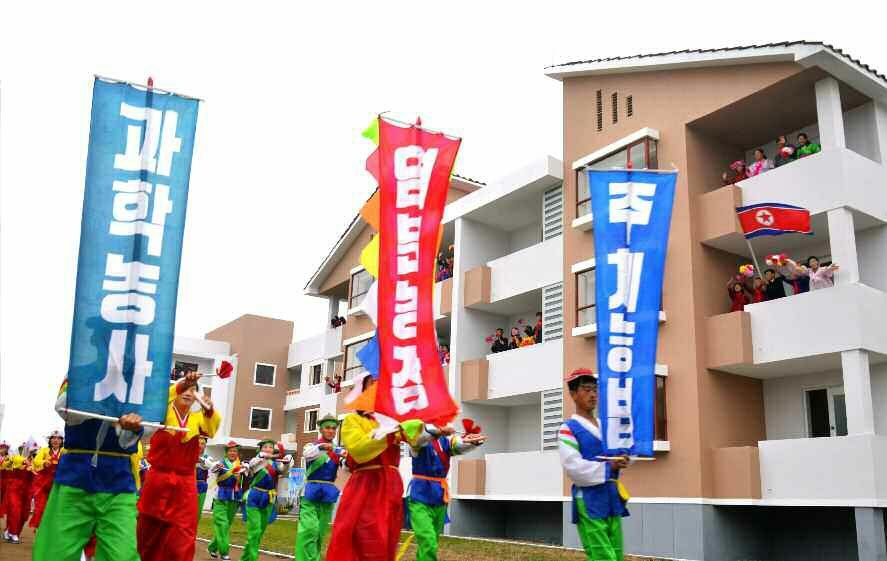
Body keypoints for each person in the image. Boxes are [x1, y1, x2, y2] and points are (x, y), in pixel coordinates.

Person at [32, 377, 146, 560]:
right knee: (57, 552)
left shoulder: (138, 379)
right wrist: (103, 396)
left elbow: (148, 428)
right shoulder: (80, 370)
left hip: (119, 481)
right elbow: (64, 409)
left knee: (122, 555)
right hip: (75, 477)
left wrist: (130, 428)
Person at [325, 375, 425, 561]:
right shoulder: (352, 420)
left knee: (388, 539)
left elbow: (417, 441)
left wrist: (436, 430)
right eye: (372, 385)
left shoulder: (390, 421)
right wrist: (390, 432)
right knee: (367, 538)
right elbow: (359, 450)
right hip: (367, 486)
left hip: (392, 486)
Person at [137, 371, 221, 561]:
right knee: (148, 532)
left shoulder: (198, 418)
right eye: (185, 389)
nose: (189, 393)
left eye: (194, 390)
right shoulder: (162, 412)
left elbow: (212, 429)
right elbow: (161, 399)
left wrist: (209, 409)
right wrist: (183, 383)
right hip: (157, 479)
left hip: (185, 484)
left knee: (183, 535)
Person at [560, 368, 630, 561]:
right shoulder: (568, 429)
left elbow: (615, 455)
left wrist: (622, 458)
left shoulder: (606, 426)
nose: (592, 394)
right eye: (586, 389)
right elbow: (573, 468)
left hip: (611, 496)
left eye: (594, 389)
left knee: (616, 553)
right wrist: (610, 467)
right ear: (573, 394)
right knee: (601, 555)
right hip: (589, 499)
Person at [406, 424, 486, 561]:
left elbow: (459, 445)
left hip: (439, 496)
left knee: (432, 542)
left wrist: (474, 442)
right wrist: (439, 431)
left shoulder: (446, 441)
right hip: (419, 496)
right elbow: (418, 441)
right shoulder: (418, 437)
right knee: (428, 540)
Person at [295, 414, 346, 561]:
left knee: (320, 533)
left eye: (333, 428)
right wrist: (323, 447)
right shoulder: (312, 446)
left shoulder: (338, 450)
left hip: (328, 493)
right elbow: (307, 454)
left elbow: (347, 467)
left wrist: (349, 457)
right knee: (309, 529)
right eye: (328, 428)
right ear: (321, 429)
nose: (331, 431)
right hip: (310, 491)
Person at [242, 439, 292, 561]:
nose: (268, 449)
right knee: (255, 531)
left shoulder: (275, 463)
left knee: (260, 532)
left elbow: (283, 472)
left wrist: (286, 463)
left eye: (270, 447)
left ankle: (245, 558)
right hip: (254, 497)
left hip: (268, 499)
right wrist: (262, 456)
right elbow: (252, 464)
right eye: (265, 447)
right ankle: (253, 558)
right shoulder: (256, 460)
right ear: (260, 449)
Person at [208, 441, 245, 561]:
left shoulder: (242, 464)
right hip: (221, 496)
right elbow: (213, 469)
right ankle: (224, 552)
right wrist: (215, 466)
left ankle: (213, 547)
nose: (232, 453)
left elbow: (249, 472)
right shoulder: (221, 463)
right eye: (230, 451)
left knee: (226, 525)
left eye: (235, 451)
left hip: (234, 497)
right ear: (226, 452)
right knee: (222, 524)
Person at [29, 429, 65, 532]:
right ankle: (40, 528)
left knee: (56, 508)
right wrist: (44, 462)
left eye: (58, 438)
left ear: (62, 441)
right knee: (41, 507)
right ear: (50, 440)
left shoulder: (64, 451)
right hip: (43, 483)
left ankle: (52, 530)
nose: (56, 440)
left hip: (58, 483)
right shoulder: (44, 450)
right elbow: (36, 461)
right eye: (53, 438)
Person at [2, 443, 32, 544]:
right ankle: (13, 533)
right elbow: (14, 460)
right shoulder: (12, 457)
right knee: (15, 509)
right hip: (14, 487)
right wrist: (24, 461)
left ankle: (10, 531)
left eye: (25, 448)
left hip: (27, 489)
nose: (24, 450)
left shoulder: (35, 458)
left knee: (24, 514)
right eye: (21, 448)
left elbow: (38, 467)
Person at [196, 436, 212, 524]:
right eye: (198, 443)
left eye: (202, 444)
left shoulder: (208, 458)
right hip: (188, 485)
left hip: (201, 486)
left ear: (205, 446)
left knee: (198, 512)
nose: (200, 445)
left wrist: (198, 459)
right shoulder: (188, 455)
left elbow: (206, 465)